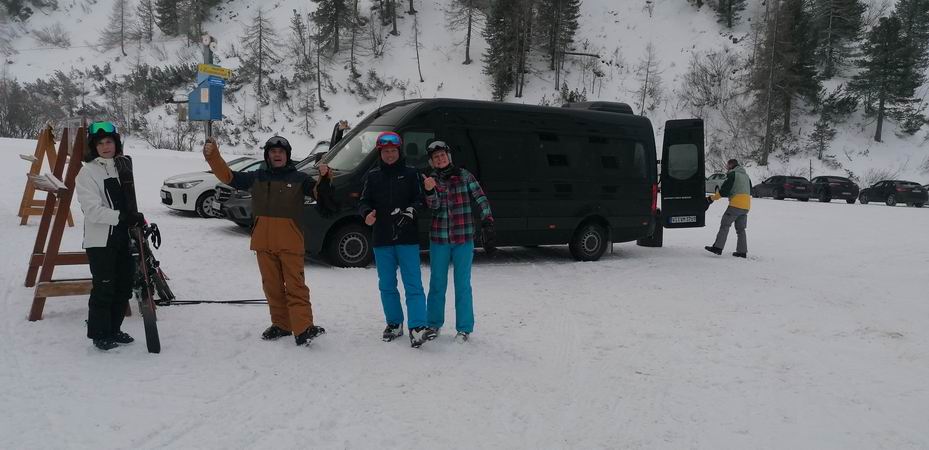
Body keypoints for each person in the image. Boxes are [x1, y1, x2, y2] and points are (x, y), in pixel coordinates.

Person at [203, 135, 335, 346]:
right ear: (267, 155)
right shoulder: (257, 177)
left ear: (287, 155)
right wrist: (213, 158)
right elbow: (228, 176)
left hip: (290, 243)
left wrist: (325, 177)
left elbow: (321, 194)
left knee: (296, 287)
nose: (277, 155)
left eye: (281, 152)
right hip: (264, 243)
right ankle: (281, 325)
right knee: (272, 288)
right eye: (273, 151)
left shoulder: (300, 179)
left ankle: (303, 328)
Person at [358, 131, 436, 348]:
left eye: (393, 151)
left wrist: (411, 211)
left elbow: (420, 200)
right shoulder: (373, 176)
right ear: (380, 153)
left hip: (407, 237)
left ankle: (418, 327)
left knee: (413, 284)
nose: (390, 155)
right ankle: (394, 323)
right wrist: (366, 213)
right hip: (382, 238)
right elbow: (363, 201)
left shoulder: (411, 173)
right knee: (387, 285)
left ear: (399, 151)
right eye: (385, 152)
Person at [75, 121, 145, 351]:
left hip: (124, 238)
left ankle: (114, 329)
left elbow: (129, 201)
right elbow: (92, 211)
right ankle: (99, 334)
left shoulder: (122, 167)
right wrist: (122, 217)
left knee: (123, 286)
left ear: (116, 144)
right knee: (104, 287)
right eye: (100, 143)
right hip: (100, 241)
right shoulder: (87, 172)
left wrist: (135, 218)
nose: (106, 147)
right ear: (93, 147)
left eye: (109, 142)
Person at [422, 141, 494, 342]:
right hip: (439, 239)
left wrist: (487, 219)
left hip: (463, 238)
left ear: (448, 156)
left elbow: (480, 197)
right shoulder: (431, 179)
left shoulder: (464, 175)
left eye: (442, 155)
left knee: (462, 284)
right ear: (432, 162)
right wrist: (429, 191)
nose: (440, 159)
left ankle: (464, 328)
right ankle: (433, 324)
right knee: (437, 283)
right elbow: (434, 206)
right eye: (435, 157)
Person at [705, 159, 752, 258]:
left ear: (731, 165)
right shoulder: (746, 176)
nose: (726, 167)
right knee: (741, 229)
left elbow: (724, 191)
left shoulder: (732, 175)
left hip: (735, 205)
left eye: (727, 165)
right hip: (746, 206)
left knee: (725, 225)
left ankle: (717, 248)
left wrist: (711, 198)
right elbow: (750, 190)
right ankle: (742, 252)